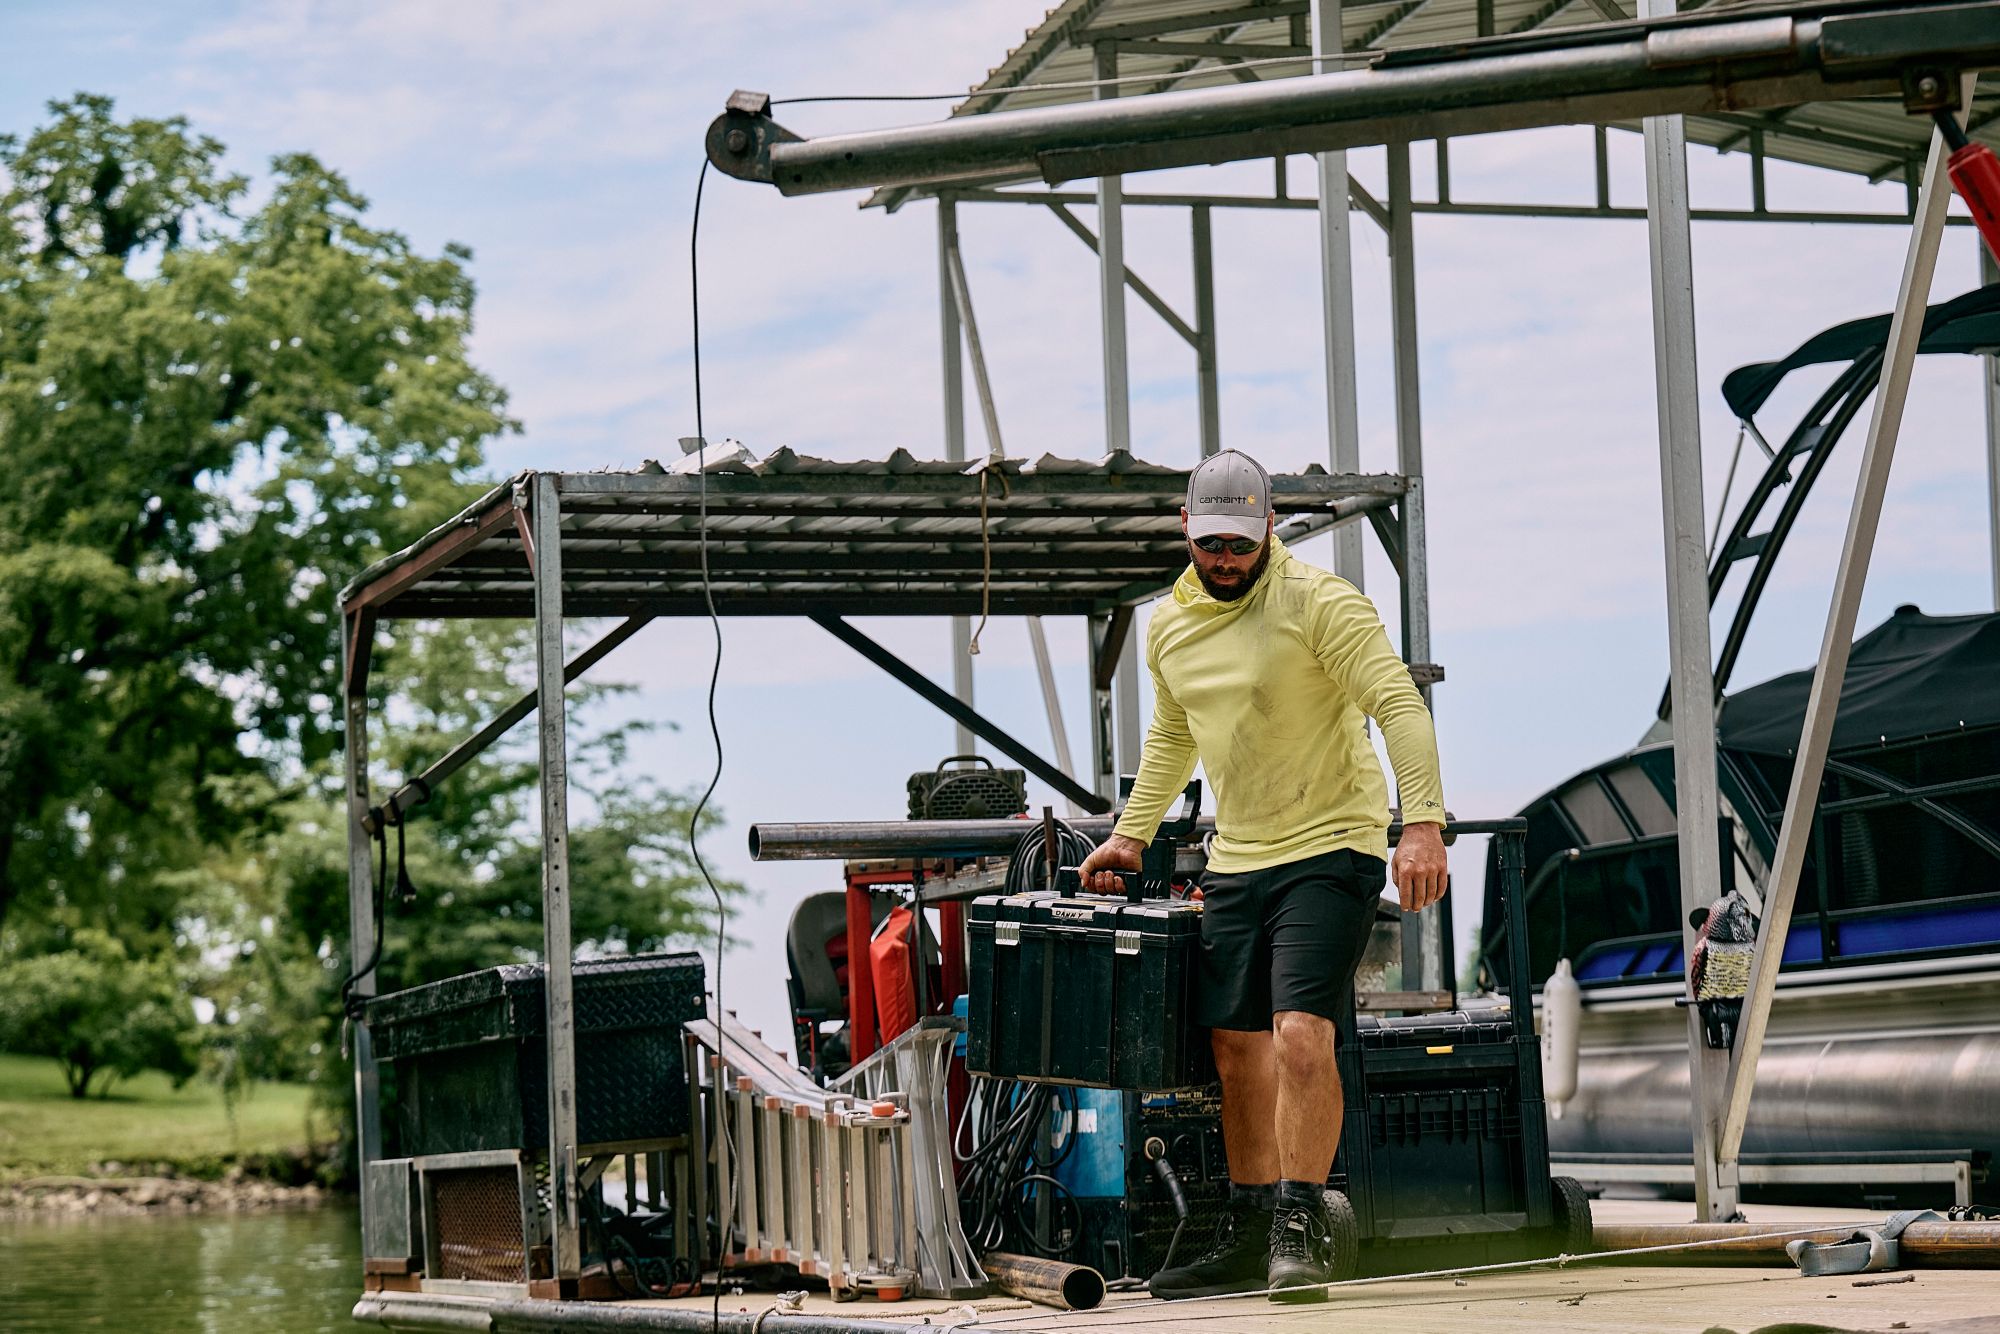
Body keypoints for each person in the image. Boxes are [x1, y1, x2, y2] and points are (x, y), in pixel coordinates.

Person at [1077, 448, 1447, 1304]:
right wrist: (1131, 836)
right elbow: (1175, 735)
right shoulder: (1168, 626)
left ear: (1270, 528)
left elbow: (1396, 702)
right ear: (1187, 532)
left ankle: (1299, 1220)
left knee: (1298, 1036)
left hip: (1330, 845)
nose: (1226, 560)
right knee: (1236, 1050)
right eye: (1212, 545)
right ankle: (1247, 1230)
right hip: (1239, 855)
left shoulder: (1320, 604)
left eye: (1241, 544)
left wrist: (1421, 821)